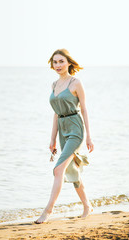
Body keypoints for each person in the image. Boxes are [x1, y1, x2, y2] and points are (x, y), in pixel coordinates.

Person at [34, 49, 95, 224]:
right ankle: (87, 206)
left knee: (58, 170)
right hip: (62, 128)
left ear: (68, 62)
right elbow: (55, 114)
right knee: (71, 170)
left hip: (76, 129)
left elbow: (84, 109)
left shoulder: (76, 83)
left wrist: (89, 136)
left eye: (61, 61)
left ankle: (47, 211)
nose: (58, 65)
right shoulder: (53, 85)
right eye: (55, 62)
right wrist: (52, 139)